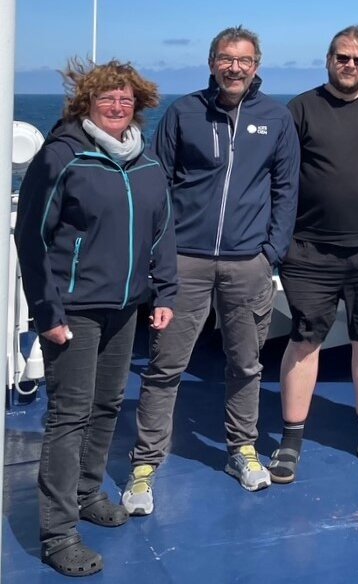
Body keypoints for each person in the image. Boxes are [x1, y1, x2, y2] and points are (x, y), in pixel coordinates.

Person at [123, 26, 299, 514]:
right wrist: (163, 255)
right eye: (226, 59)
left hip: (249, 263)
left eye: (244, 60)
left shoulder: (276, 119)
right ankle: (144, 466)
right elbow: (159, 185)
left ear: (257, 65)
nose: (235, 68)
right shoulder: (184, 112)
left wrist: (271, 254)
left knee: (245, 364)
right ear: (212, 62)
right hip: (186, 262)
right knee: (165, 367)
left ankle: (242, 449)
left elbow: (286, 191)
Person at [14, 59, 177, 577]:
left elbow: (161, 231)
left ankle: (88, 494)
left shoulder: (145, 162)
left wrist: (165, 291)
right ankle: (58, 533)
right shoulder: (61, 157)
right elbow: (32, 238)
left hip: (125, 307)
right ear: (87, 102)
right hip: (74, 310)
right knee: (69, 415)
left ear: (140, 106)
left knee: (108, 404)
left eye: (126, 99)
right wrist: (46, 311)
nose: (116, 106)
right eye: (106, 97)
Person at [269, 26, 358, 484]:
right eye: (342, 57)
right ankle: (291, 438)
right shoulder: (301, 109)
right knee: (306, 340)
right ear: (328, 59)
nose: (349, 65)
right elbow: (279, 176)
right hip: (308, 251)